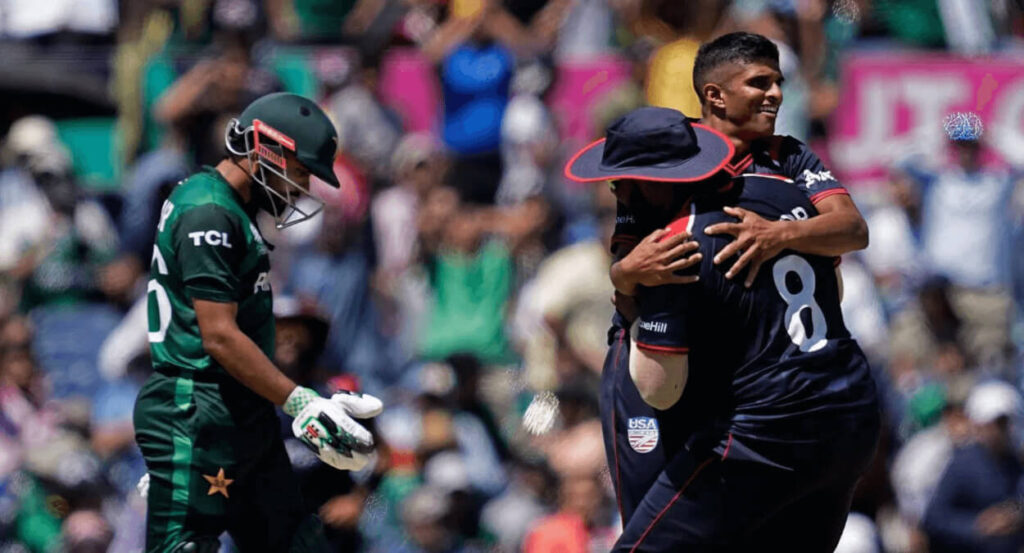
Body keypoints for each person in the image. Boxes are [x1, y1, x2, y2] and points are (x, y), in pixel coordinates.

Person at [585, 31, 870, 523]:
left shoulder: (787, 154)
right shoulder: (666, 151)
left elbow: (852, 230)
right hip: (655, 354)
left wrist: (777, 235)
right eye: (760, 83)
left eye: (778, 83)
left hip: (745, 377)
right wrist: (624, 274)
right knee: (652, 521)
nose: (775, 94)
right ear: (715, 95)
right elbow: (630, 260)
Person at [132, 92, 384, 553]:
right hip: (197, 408)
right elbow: (219, 335)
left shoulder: (229, 206)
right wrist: (301, 402)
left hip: (237, 410)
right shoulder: (209, 211)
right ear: (266, 149)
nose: (301, 188)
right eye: (301, 172)